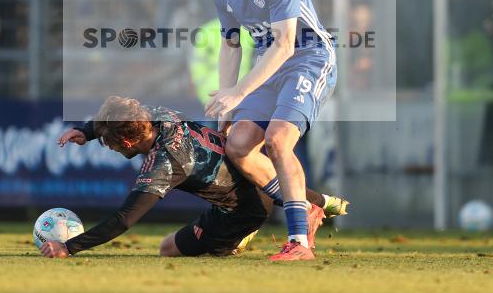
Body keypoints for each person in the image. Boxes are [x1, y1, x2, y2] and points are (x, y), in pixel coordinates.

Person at [39, 96, 347, 259]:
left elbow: (124, 219)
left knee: (167, 248)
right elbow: (121, 113)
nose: (108, 146)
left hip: (243, 211)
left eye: (109, 142)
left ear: (129, 143)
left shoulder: (164, 163)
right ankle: (324, 202)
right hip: (259, 176)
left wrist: (69, 247)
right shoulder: (160, 115)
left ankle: (237, 239)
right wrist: (87, 130)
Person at [196, 0, 338, 261]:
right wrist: (226, 101)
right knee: (238, 146)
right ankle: (304, 207)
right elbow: (231, 44)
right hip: (268, 66)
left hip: (308, 59)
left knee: (277, 141)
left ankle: (299, 243)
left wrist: (240, 91)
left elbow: (286, 43)